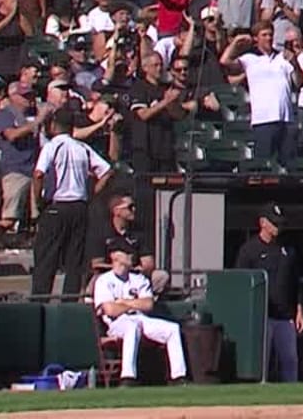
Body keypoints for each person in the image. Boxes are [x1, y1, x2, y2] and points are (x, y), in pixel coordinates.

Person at [31, 107, 113, 298]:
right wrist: (91, 192)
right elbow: (107, 171)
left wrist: (38, 200)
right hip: (79, 206)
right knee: (74, 258)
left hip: (57, 205)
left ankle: (39, 299)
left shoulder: (52, 146)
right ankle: (70, 299)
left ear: (53, 125)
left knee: (47, 257)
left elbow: (38, 174)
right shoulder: (82, 147)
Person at [92, 245, 188, 385]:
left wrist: (123, 302)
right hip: (117, 323)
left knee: (172, 328)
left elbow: (148, 305)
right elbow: (111, 310)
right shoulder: (104, 280)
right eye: (126, 252)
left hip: (141, 319)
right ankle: (128, 377)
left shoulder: (139, 279)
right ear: (115, 256)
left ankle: (178, 377)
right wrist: (135, 304)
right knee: (132, 326)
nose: (131, 256)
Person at [233, 202, 303, 383]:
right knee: (262, 363)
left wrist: (299, 310)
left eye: (280, 223)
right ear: (263, 223)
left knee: (290, 361)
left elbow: (295, 282)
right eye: (274, 223)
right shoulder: (249, 250)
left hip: (285, 317)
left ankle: (291, 394)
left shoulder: (288, 249)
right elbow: (240, 283)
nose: (278, 227)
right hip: (262, 317)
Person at [220, 24, 303, 168]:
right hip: (263, 121)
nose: (268, 38)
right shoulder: (249, 59)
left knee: (288, 166)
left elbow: (299, 82)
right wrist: (237, 41)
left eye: (270, 34)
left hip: (286, 120)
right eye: (264, 35)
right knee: (264, 166)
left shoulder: (283, 57)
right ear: (256, 38)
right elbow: (224, 61)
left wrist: (295, 63)